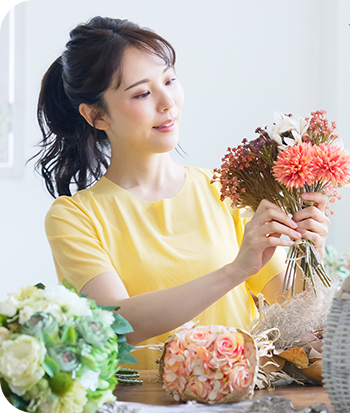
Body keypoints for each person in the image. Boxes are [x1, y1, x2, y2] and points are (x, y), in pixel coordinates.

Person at [34, 16, 330, 369]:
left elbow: (291, 312)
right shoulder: (74, 216)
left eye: (170, 80)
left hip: (243, 397)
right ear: (97, 116)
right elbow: (117, 325)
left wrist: (311, 250)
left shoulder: (225, 189)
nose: (167, 102)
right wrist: (235, 270)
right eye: (142, 93)